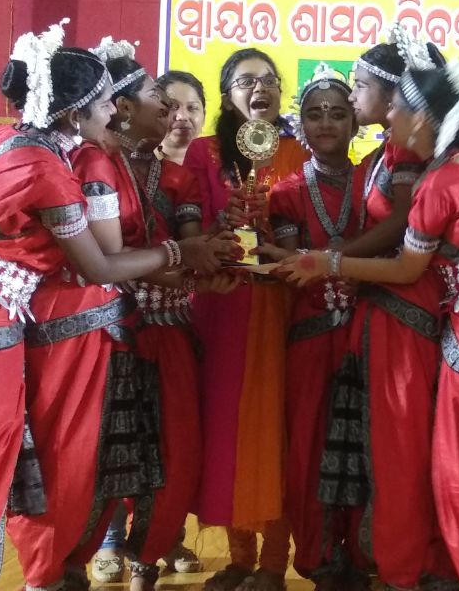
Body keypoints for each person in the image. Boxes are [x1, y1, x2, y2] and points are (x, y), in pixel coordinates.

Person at [0, 20, 234, 591]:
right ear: (75, 114)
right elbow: (100, 265)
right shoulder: (53, 168)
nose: (115, 115)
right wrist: (182, 252)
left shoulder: (8, 141)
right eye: (107, 105)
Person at [277, 59, 459, 591]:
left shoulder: (442, 180)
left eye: (395, 105)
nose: (386, 115)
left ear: (420, 119)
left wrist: (328, 262)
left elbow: (406, 268)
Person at [309, 28, 458, 590]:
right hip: (380, 305)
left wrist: (330, 259)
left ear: (395, 92)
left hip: (403, 307)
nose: (352, 96)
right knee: (382, 440)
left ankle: (405, 568)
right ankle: (391, 560)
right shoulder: (383, 152)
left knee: (398, 443)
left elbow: (401, 224)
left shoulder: (407, 152)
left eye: (360, 85)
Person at [184, 47, 307, 591]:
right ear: (227, 94)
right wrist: (222, 221)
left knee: (274, 429)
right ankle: (238, 558)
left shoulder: (298, 153)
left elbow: (307, 231)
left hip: (280, 306)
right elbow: (187, 232)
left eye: (269, 80)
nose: (260, 88)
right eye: (246, 80)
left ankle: (274, 562)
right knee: (225, 431)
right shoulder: (203, 154)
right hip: (221, 305)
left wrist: (276, 231)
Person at [91, 67, 211, 584]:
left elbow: (192, 252)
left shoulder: (180, 179)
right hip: (107, 331)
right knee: (107, 441)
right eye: (159, 100)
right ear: (122, 108)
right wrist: (173, 260)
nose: (169, 112)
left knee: (172, 446)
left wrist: (209, 260)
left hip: (167, 326)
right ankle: (103, 543)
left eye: (180, 106)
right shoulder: (94, 166)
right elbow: (97, 257)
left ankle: (148, 555)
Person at [257, 63, 371, 589]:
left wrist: (316, 259)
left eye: (338, 113)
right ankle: (319, 558)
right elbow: (286, 262)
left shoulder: (373, 181)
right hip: (309, 335)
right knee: (309, 447)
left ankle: (366, 554)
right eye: (315, 114)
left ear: (355, 123)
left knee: (367, 442)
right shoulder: (286, 191)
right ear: (300, 125)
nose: (326, 123)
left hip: (368, 331)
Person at [158, 70, 208, 164]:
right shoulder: (138, 165)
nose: (182, 116)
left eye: (192, 108)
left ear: (204, 116)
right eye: (172, 106)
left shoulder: (220, 162)